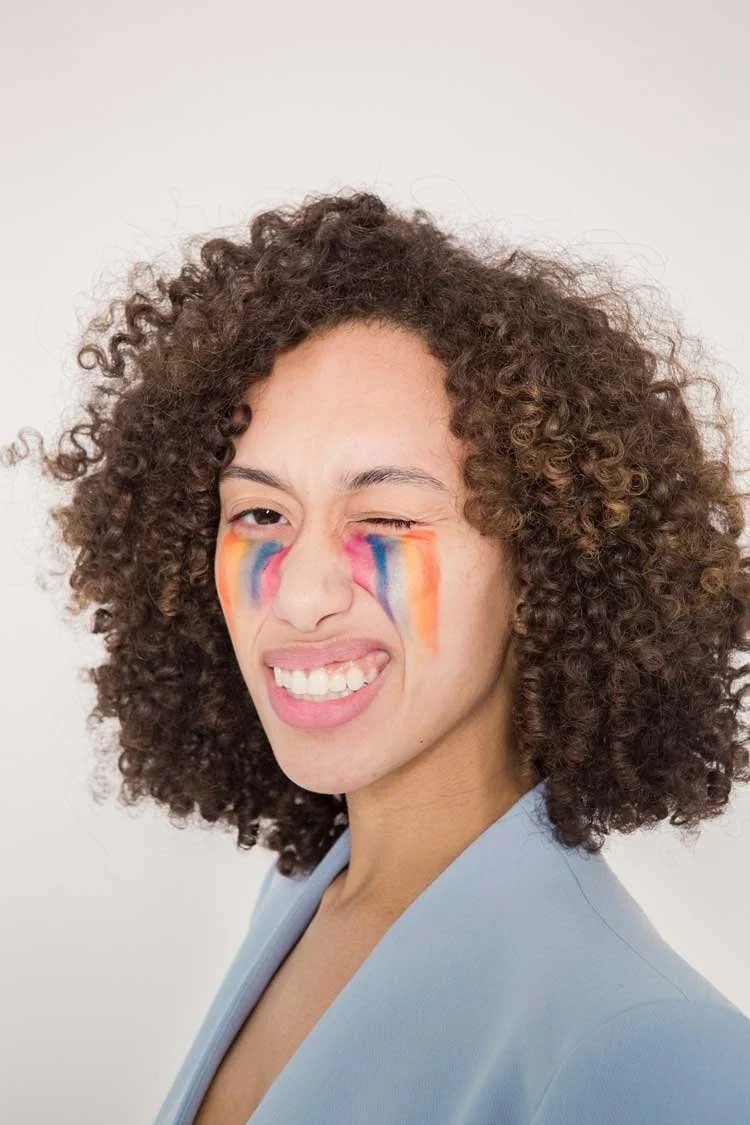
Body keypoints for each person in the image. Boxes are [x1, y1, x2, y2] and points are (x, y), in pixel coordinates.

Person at [7, 189, 750, 1123]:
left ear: (545, 558)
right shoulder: (301, 899)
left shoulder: (659, 1058)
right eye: (261, 514)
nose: (302, 590)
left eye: (388, 516)